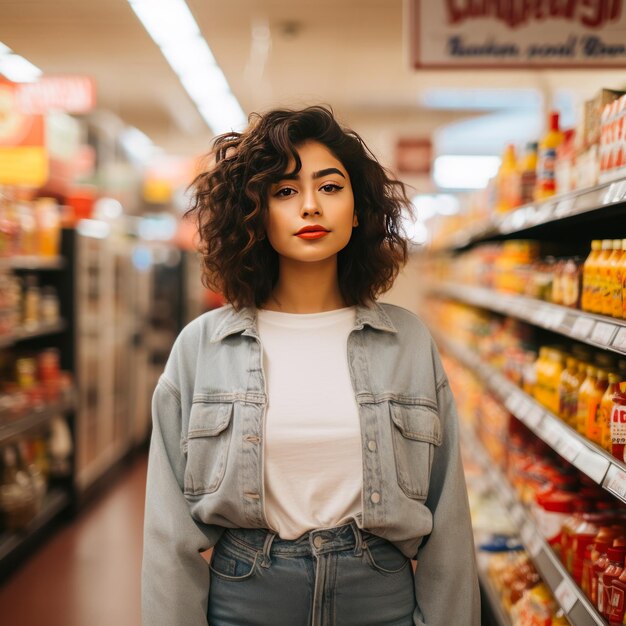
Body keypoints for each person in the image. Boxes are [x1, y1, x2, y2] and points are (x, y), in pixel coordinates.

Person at [141, 105, 480, 626]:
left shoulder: (406, 339)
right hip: (246, 601)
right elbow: (168, 535)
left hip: (380, 601)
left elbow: (449, 522)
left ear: (358, 208)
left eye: (329, 187)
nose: (309, 207)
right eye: (283, 192)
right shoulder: (202, 347)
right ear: (255, 213)